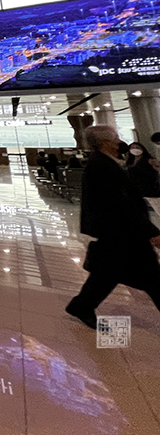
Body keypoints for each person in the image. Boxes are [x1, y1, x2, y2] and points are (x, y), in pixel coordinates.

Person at [67, 125, 160, 329]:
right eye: (116, 137)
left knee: (110, 273)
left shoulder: (105, 161)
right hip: (119, 229)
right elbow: (120, 202)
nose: (119, 141)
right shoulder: (100, 165)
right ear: (105, 142)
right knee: (144, 275)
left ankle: (81, 305)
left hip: (119, 230)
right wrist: (150, 231)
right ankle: (81, 305)